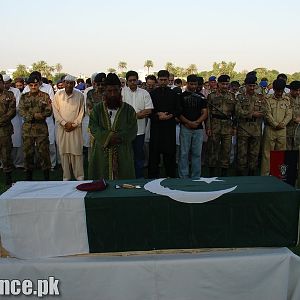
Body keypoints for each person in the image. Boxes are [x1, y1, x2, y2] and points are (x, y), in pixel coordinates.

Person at [88, 73, 137, 180]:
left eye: (115, 90)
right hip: (102, 150)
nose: (113, 94)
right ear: (105, 91)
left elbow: (132, 130)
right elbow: (93, 126)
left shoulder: (129, 110)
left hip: (123, 150)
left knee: (123, 182)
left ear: (120, 90)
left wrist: (118, 137)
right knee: (101, 183)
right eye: (109, 91)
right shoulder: (97, 109)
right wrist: (108, 137)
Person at [148, 70, 181, 178]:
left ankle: (171, 178)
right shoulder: (152, 94)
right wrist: (158, 115)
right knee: (154, 155)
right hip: (156, 128)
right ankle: (153, 178)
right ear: (158, 80)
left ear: (168, 80)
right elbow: (149, 111)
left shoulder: (174, 94)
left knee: (170, 155)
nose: (162, 82)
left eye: (165, 80)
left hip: (169, 129)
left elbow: (178, 109)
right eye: (161, 80)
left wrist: (170, 115)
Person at [19, 75, 52, 180]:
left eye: (35, 85)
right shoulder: (24, 97)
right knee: (28, 153)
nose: (33, 87)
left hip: (41, 129)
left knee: (44, 153)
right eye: (31, 85)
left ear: (39, 84)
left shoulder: (45, 96)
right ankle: (28, 177)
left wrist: (41, 115)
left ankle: (46, 177)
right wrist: (34, 116)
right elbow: (21, 111)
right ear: (28, 85)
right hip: (28, 130)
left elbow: (49, 110)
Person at [52, 75, 85, 181]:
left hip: (75, 129)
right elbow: (55, 111)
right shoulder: (58, 94)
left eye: (71, 83)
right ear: (63, 83)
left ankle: (79, 177)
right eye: (67, 83)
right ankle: (66, 178)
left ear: (74, 84)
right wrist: (64, 123)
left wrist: (74, 124)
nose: (69, 85)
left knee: (77, 153)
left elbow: (82, 112)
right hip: (62, 129)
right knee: (64, 153)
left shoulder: (79, 95)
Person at [122, 70, 153, 178]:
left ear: (137, 80)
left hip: (140, 131)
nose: (132, 82)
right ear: (127, 81)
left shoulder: (144, 93)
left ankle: (139, 178)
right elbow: (119, 111)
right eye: (130, 81)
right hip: (125, 131)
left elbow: (149, 110)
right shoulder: (122, 93)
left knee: (138, 155)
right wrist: (136, 115)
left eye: (134, 80)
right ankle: (127, 177)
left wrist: (133, 115)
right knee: (126, 156)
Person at [23, 71, 57, 170]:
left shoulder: (48, 88)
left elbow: (50, 103)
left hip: (46, 121)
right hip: (31, 123)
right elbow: (23, 106)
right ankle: (36, 165)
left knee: (49, 143)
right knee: (32, 145)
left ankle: (52, 164)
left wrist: (40, 114)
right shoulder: (26, 88)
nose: (34, 85)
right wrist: (33, 115)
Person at [205, 75, 236, 177]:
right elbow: (208, 114)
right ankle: (212, 174)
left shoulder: (232, 96)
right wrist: (208, 127)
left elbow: (235, 114)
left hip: (227, 126)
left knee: (226, 150)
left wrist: (234, 127)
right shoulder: (212, 96)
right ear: (218, 84)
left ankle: (224, 173)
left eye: (227, 84)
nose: (225, 86)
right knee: (213, 150)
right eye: (223, 84)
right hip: (215, 125)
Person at [178, 74, 207, 179]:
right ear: (187, 83)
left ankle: (196, 176)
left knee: (197, 154)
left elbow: (205, 113)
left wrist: (197, 122)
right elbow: (178, 113)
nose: (194, 86)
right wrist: (189, 123)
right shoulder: (181, 96)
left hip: (198, 129)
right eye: (191, 84)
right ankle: (183, 176)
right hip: (185, 127)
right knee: (184, 153)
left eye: (195, 84)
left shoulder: (202, 97)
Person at [261, 79, 292, 175]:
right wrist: (275, 124)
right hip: (270, 129)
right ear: (273, 89)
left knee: (280, 153)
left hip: (282, 130)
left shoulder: (287, 100)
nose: (279, 93)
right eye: (277, 91)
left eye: (281, 91)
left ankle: (278, 175)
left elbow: (289, 114)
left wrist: (283, 124)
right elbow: (267, 114)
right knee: (267, 154)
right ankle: (265, 177)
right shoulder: (268, 99)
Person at [235, 75, 264, 175]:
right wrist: (251, 114)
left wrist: (259, 113)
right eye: (250, 86)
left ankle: (252, 175)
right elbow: (238, 111)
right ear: (245, 85)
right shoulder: (240, 97)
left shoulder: (260, 98)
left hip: (256, 130)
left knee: (254, 154)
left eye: (253, 86)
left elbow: (264, 110)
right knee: (242, 154)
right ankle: (240, 175)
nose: (252, 88)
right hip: (243, 129)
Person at [3, 75, 23, 168]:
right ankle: (4, 163)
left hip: (14, 119)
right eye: (4, 83)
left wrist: (7, 115)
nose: (5, 85)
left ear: (10, 82)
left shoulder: (16, 91)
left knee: (16, 141)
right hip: (2, 122)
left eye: (7, 83)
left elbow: (17, 106)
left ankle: (17, 162)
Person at [0, 74, 16, 186]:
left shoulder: (9, 95)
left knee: (6, 155)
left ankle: (8, 179)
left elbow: (12, 111)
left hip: (4, 130)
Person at [286, 81, 300, 150]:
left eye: (299, 90)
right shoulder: (285, 98)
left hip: (297, 129)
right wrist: (294, 119)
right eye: (296, 90)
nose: (298, 92)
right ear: (291, 90)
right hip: (287, 129)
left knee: (296, 149)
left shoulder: (299, 97)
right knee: (287, 150)